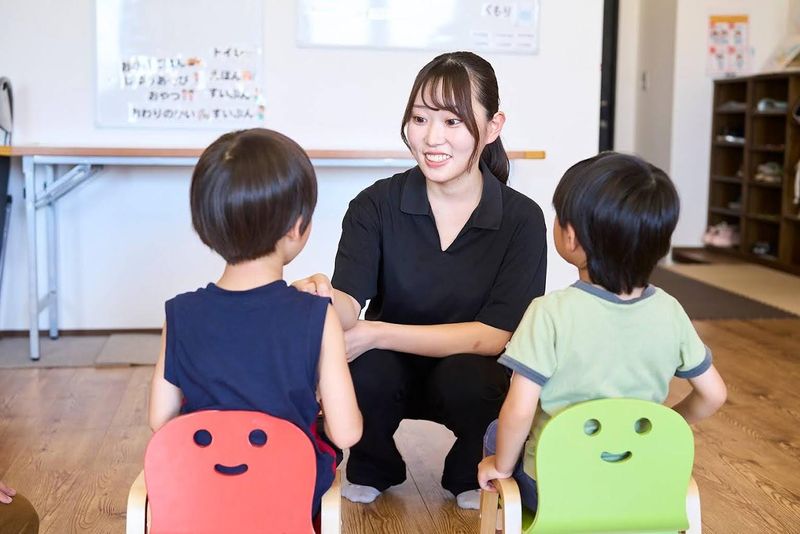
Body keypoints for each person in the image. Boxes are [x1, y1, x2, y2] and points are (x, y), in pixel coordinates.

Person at [293, 51, 547, 509]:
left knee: (475, 380)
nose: (432, 137)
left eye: (453, 121)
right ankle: (374, 464)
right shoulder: (375, 204)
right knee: (363, 368)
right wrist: (322, 299)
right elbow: (349, 299)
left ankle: (470, 469)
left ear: (492, 127)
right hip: (390, 369)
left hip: (468, 369)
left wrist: (375, 332)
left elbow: (494, 336)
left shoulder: (521, 219)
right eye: (420, 118)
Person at [477, 152, 728, 511]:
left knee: (495, 432)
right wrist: (665, 424)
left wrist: (500, 468)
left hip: (555, 489)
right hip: (637, 484)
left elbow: (519, 410)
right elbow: (714, 394)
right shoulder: (670, 311)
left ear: (571, 237)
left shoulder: (549, 313)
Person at [148, 128, 362, 518]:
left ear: (205, 225)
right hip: (286, 491)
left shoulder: (180, 314)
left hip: (201, 489)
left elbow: (160, 421)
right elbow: (346, 432)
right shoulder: (318, 316)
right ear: (298, 226)